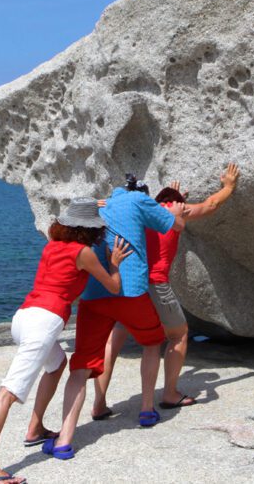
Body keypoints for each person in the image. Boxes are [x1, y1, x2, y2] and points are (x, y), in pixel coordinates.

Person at [0, 198, 131, 484]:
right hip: (43, 323)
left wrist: (93, 203)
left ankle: (35, 429)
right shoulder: (84, 253)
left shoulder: (51, 245)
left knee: (57, 364)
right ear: (90, 231)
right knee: (8, 392)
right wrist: (115, 263)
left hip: (23, 317)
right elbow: (114, 287)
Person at [41, 175, 188, 460]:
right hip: (131, 292)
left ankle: (66, 438)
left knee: (81, 367)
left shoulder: (97, 206)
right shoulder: (139, 200)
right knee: (151, 341)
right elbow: (176, 225)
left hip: (93, 297)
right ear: (141, 192)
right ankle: (147, 409)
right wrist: (176, 209)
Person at [92, 164, 240, 419]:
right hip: (156, 285)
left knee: (114, 338)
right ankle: (170, 393)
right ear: (176, 202)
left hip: (129, 285)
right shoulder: (173, 213)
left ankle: (99, 402)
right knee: (178, 335)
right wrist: (228, 186)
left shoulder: (135, 212)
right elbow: (211, 205)